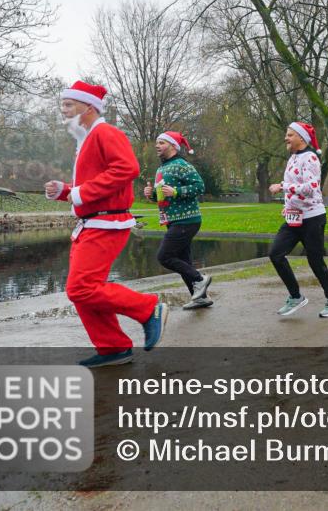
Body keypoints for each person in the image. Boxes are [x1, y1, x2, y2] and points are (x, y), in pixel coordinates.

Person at [44, 81, 167, 367]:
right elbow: (92, 185)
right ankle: (113, 348)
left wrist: (79, 192)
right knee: (84, 290)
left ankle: (149, 309)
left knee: (81, 288)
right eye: (62, 104)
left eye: (68, 105)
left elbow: (127, 169)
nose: (63, 110)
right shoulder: (86, 138)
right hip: (92, 223)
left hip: (107, 223)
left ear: (89, 106)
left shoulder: (105, 132)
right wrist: (64, 190)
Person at [268, 122, 328, 318]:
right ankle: (296, 297)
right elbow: (296, 186)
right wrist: (288, 207)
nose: (286, 138)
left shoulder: (310, 158)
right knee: (275, 254)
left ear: (301, 138)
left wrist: (283, 186)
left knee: (315, 261)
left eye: (290, 135)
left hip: (312, 218)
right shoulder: (293, 157)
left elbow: (311, 187)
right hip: (294, 219)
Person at [144, 131, 211, 310]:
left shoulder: (182, 165)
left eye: (162, 143)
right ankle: (200, 298)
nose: (157, 145)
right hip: (172, 221)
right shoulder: (161, 169)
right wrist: (151, 195)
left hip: (187, 220)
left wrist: (176, 191)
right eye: (157, 142)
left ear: (173, 146)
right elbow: (163, 197)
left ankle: (199, 279)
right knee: (184, 261)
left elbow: (200, 186)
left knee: (164, 257)